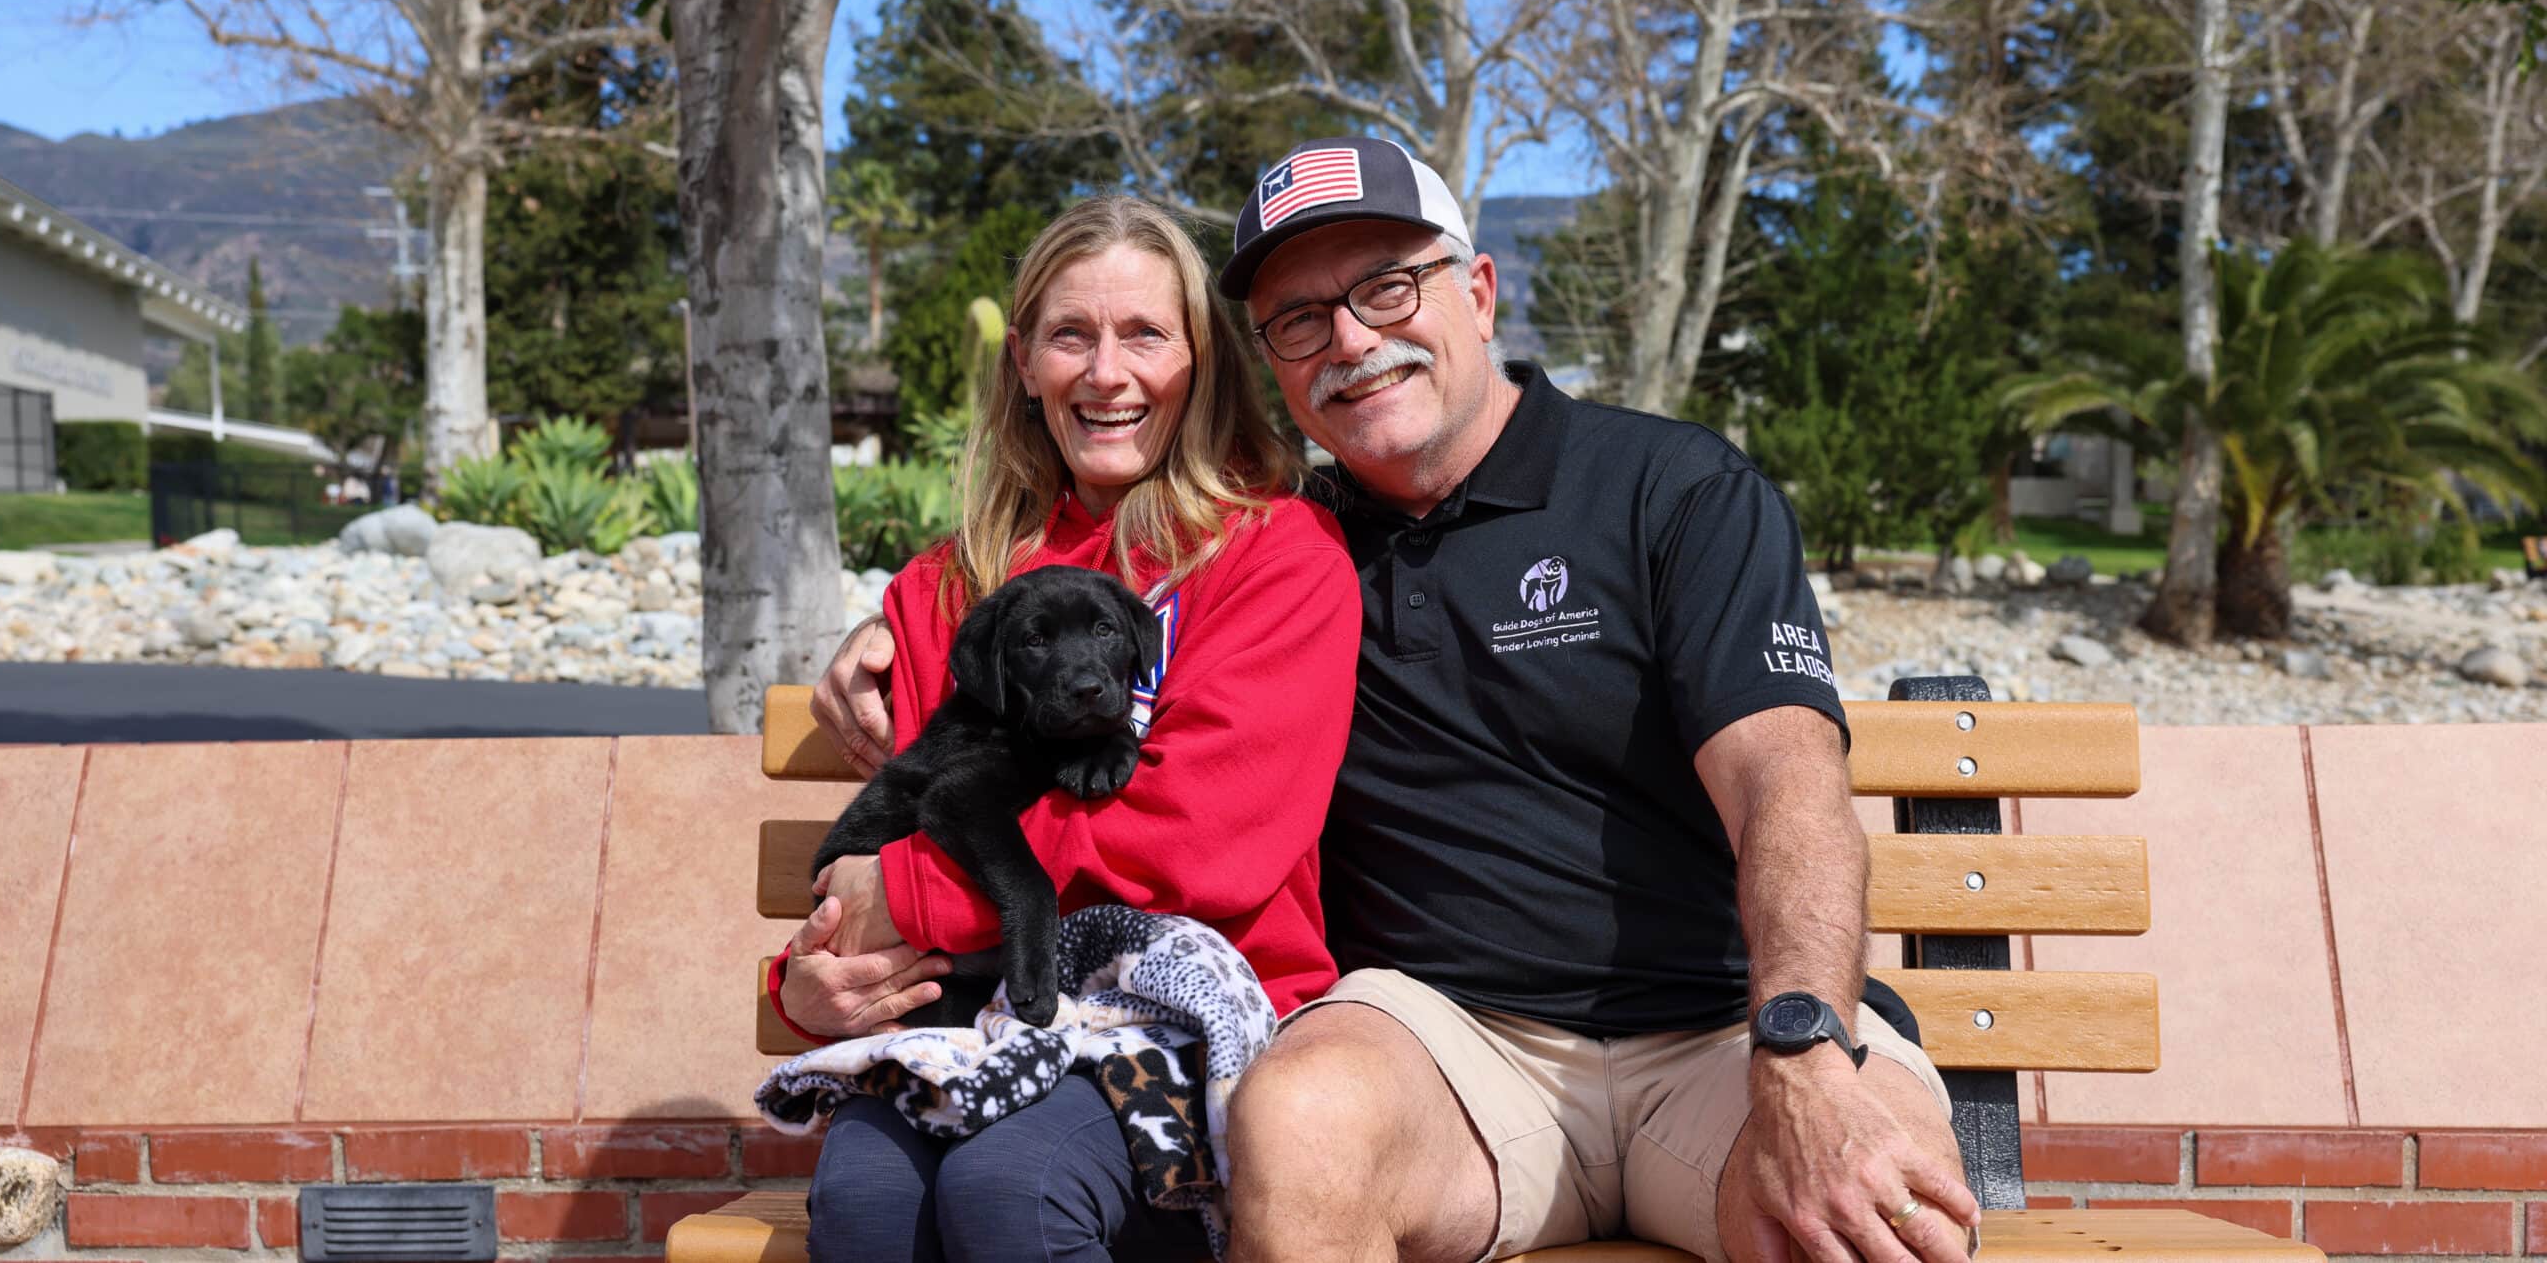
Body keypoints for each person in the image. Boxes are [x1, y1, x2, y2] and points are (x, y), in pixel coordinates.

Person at [817, 141, 1978, 1263]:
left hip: (1726, 1028)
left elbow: (1787, 780)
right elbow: (1045, 604)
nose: (1353, 341)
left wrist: (1802, 1043)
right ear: (1267, 359)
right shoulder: (1302, 536)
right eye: (1302, 321)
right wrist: (898, 628)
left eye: (1387, 287)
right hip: (1449, 1045)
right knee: (1298, 1122)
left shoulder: (1668, 488)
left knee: (1873, 1211)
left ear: (1477, 292)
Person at [776, 195, 1361, 1263]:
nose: (1106, 373)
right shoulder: (946, 589)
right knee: (864, 1202)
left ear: (1201, 364)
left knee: (1013, 1190)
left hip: (1188, 1016)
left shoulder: (1274, 553)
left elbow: (1201, 839)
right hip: (973, 1009)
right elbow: (916, 807)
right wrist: (811, 978)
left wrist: (901, 896)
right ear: (1023, 366)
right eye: (1069, 336)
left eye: (1144, 333)